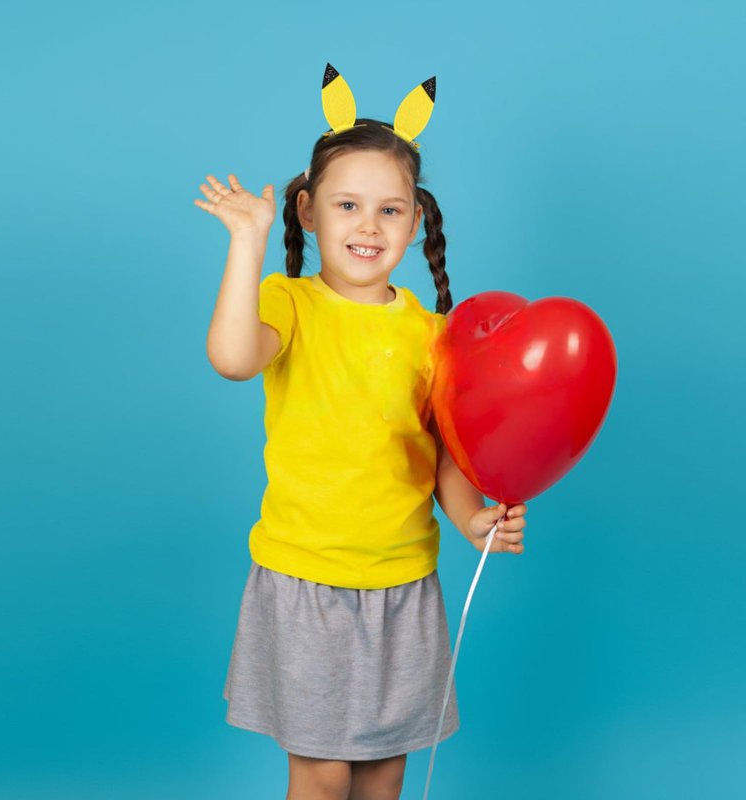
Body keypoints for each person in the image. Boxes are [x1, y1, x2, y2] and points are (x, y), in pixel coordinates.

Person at [195, 67, 528, 800]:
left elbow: (443, 454)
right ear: (309, 212)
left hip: (403, 585)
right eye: (348, 205)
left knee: (383, 773)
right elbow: (232, 358)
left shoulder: (431, 334)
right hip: (308, 581)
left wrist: (472, 519)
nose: (369, 226)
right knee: (321, 775)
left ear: (415, 223)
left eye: (390, 210)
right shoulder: (289, 303)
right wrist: (247, 242)